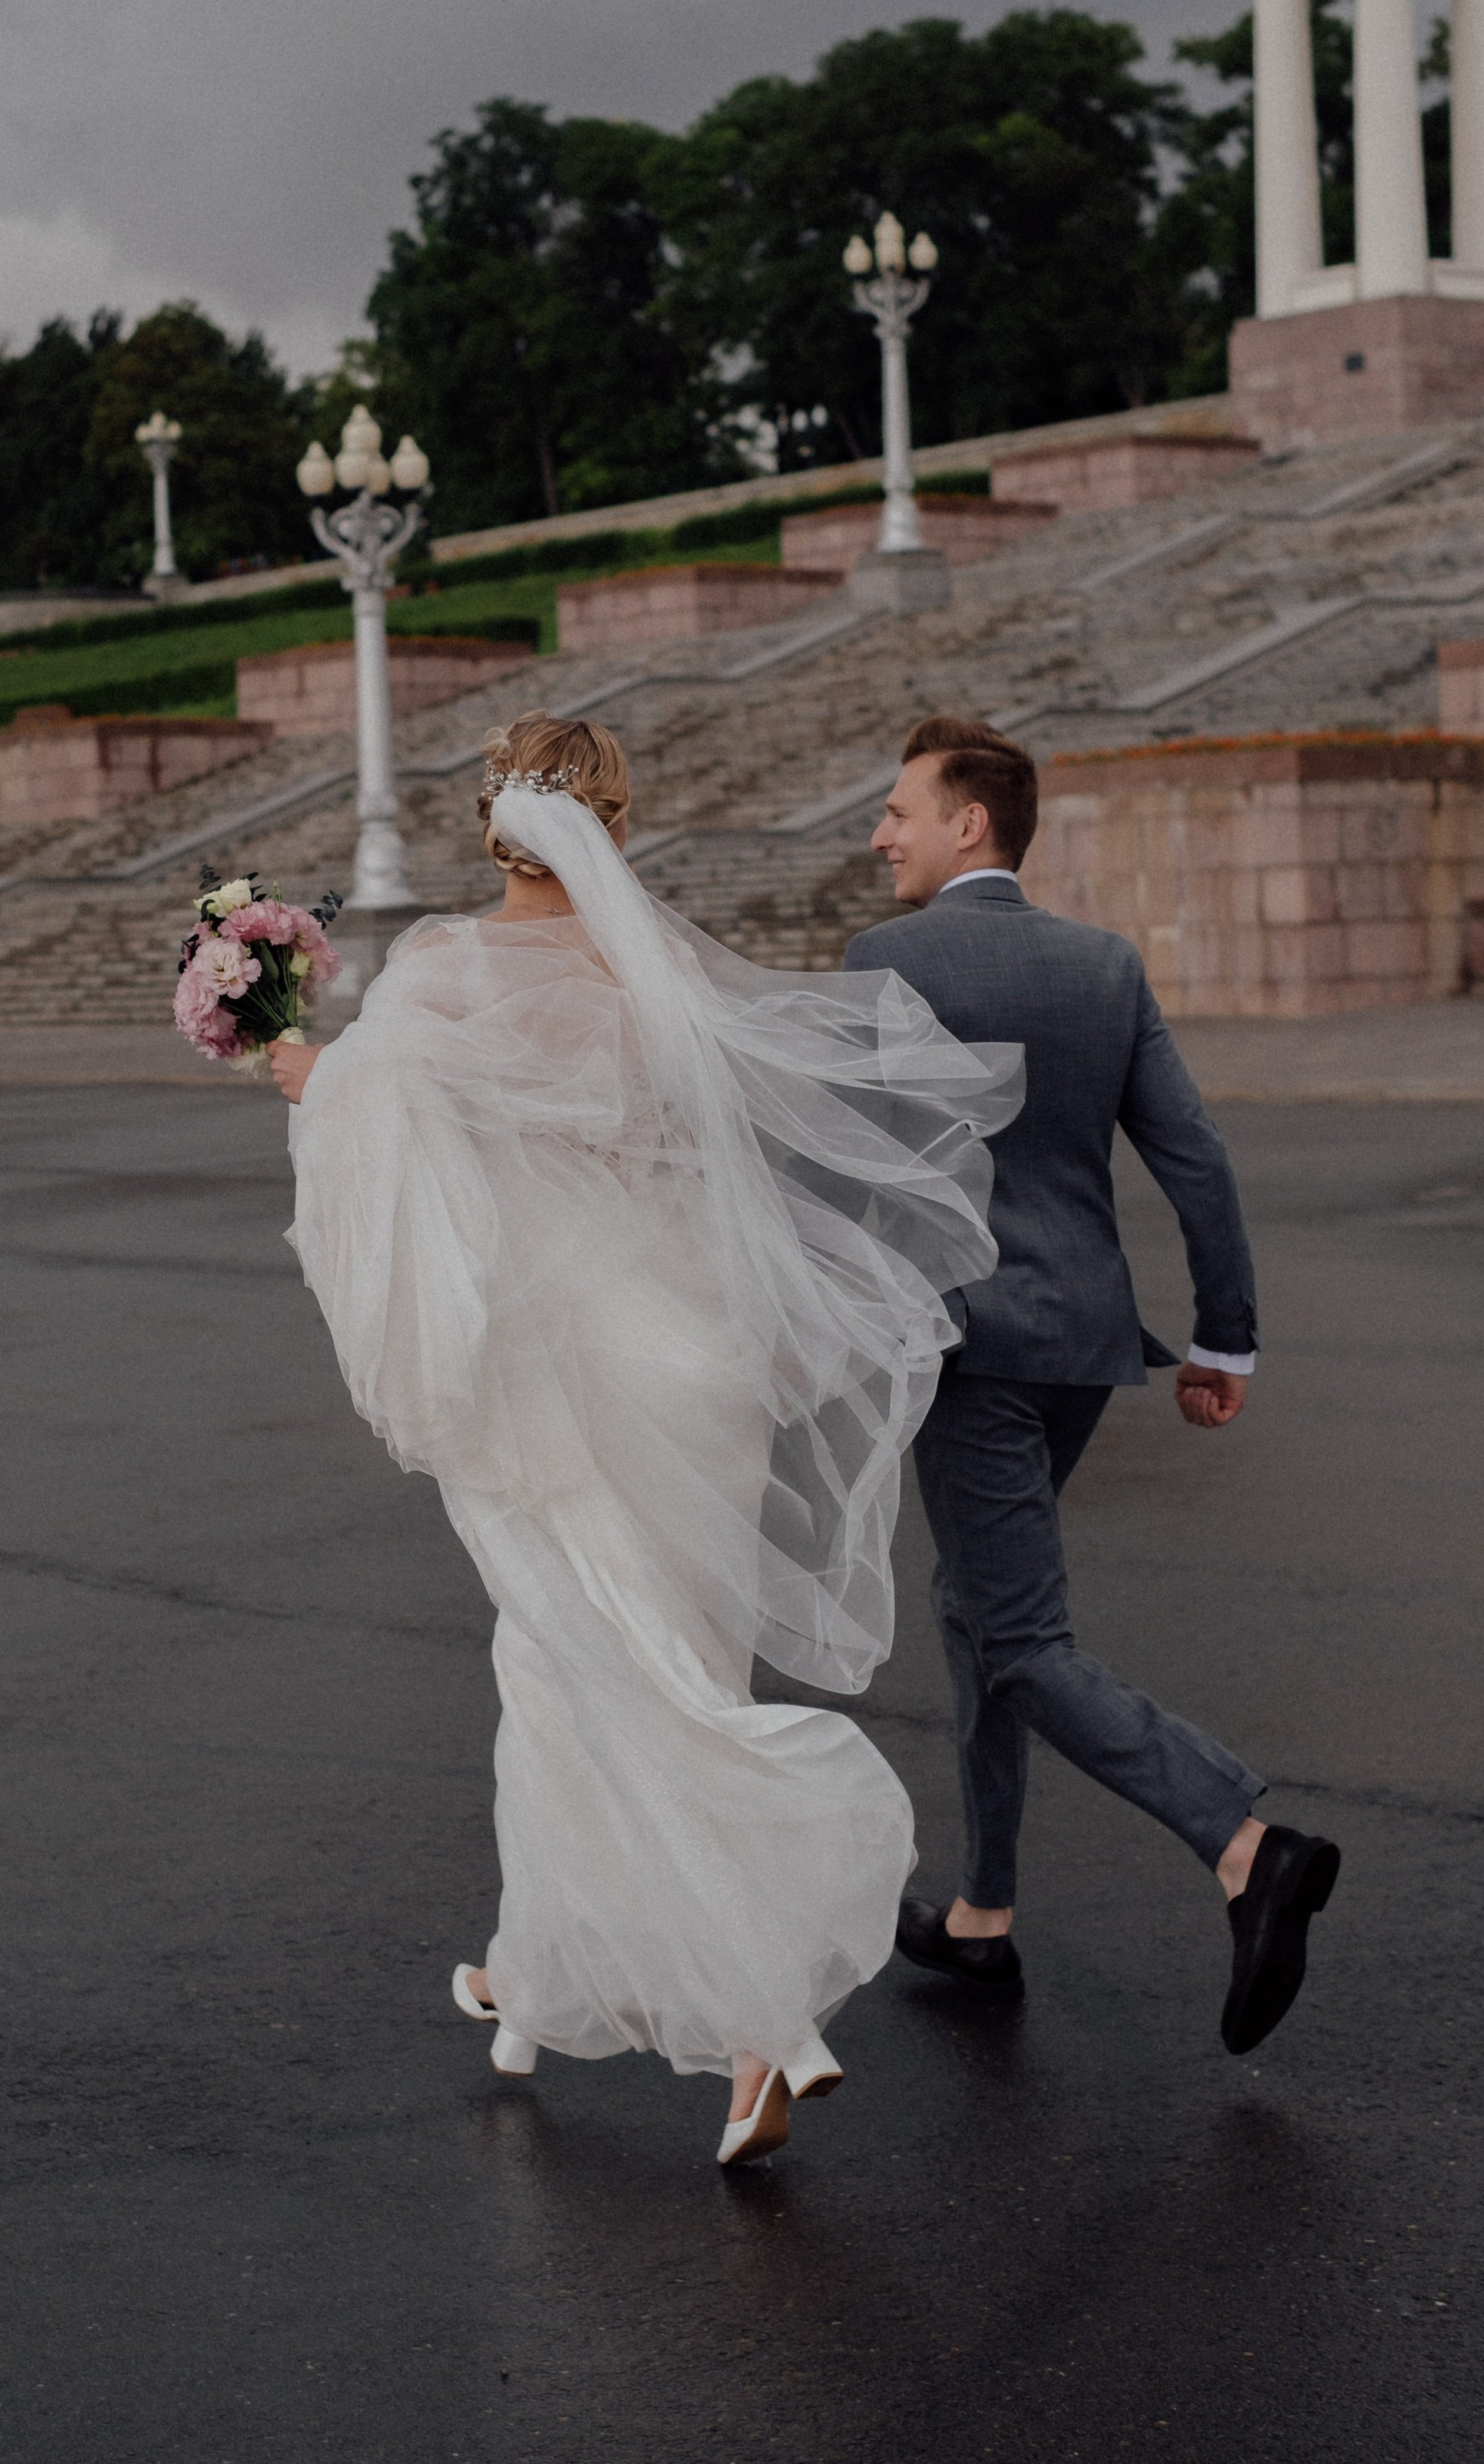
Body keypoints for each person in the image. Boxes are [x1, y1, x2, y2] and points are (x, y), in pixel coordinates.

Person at [270, 711, 1022, 2165]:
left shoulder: (444, 971)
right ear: (608, 821)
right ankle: (532, 1971)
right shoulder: (662, 968)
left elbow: (386, 1150)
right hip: (696, 1362)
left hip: (561, 1377)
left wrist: (305, 1073)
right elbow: (706, 1160)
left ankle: (766, 2031)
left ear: (497, 820)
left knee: (631, 1681)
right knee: (575, 1662)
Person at [846, 716, 1340, 2054]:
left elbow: (851, 1166)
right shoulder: (1103, 965)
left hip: (965, 1351)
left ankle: (1244, 1846)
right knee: (977, 1605)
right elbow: (1197, 1158)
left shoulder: (885, 962)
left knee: (1019, 1640)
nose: (878, 832)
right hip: (1079, 1348)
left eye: (900, 810)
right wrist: (1223, 1340)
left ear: (970, 823)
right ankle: (984, 1916)